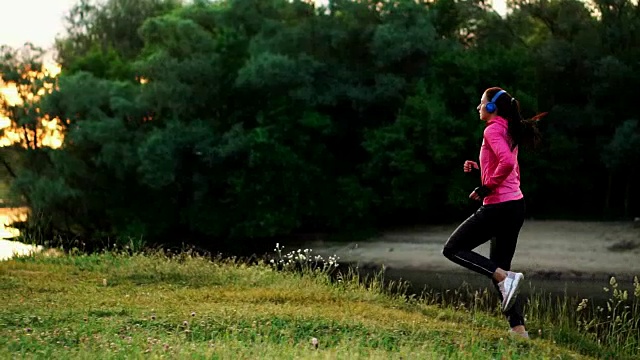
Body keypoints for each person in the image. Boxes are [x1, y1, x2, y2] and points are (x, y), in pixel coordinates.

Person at [442, 87, 544, 339]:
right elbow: (504, 163)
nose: (478, 107)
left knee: (453, 249)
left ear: (491, 108)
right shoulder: (507, 129)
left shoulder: (492, 130)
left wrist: (487, 186)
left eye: (481, 103)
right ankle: (518, 330)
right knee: (501, 272)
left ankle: (503, 277)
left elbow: (508, 164)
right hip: (515, 206)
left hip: (499, 206)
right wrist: (480, 168)